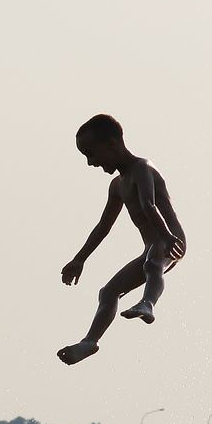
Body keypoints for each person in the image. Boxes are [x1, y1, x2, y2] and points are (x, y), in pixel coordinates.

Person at [57, 114, 188, 365]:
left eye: (91, 154)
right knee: (108, 292)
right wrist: (79, 259)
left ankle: (148, 304)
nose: (90, 162)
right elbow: (103, 227)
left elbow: (150, 206)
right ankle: (89, 342)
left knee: (152, 263)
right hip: (153, 247)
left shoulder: (142, 169)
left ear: (112, 144)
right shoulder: (117, 186)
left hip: (171, 240)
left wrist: (167, 236)